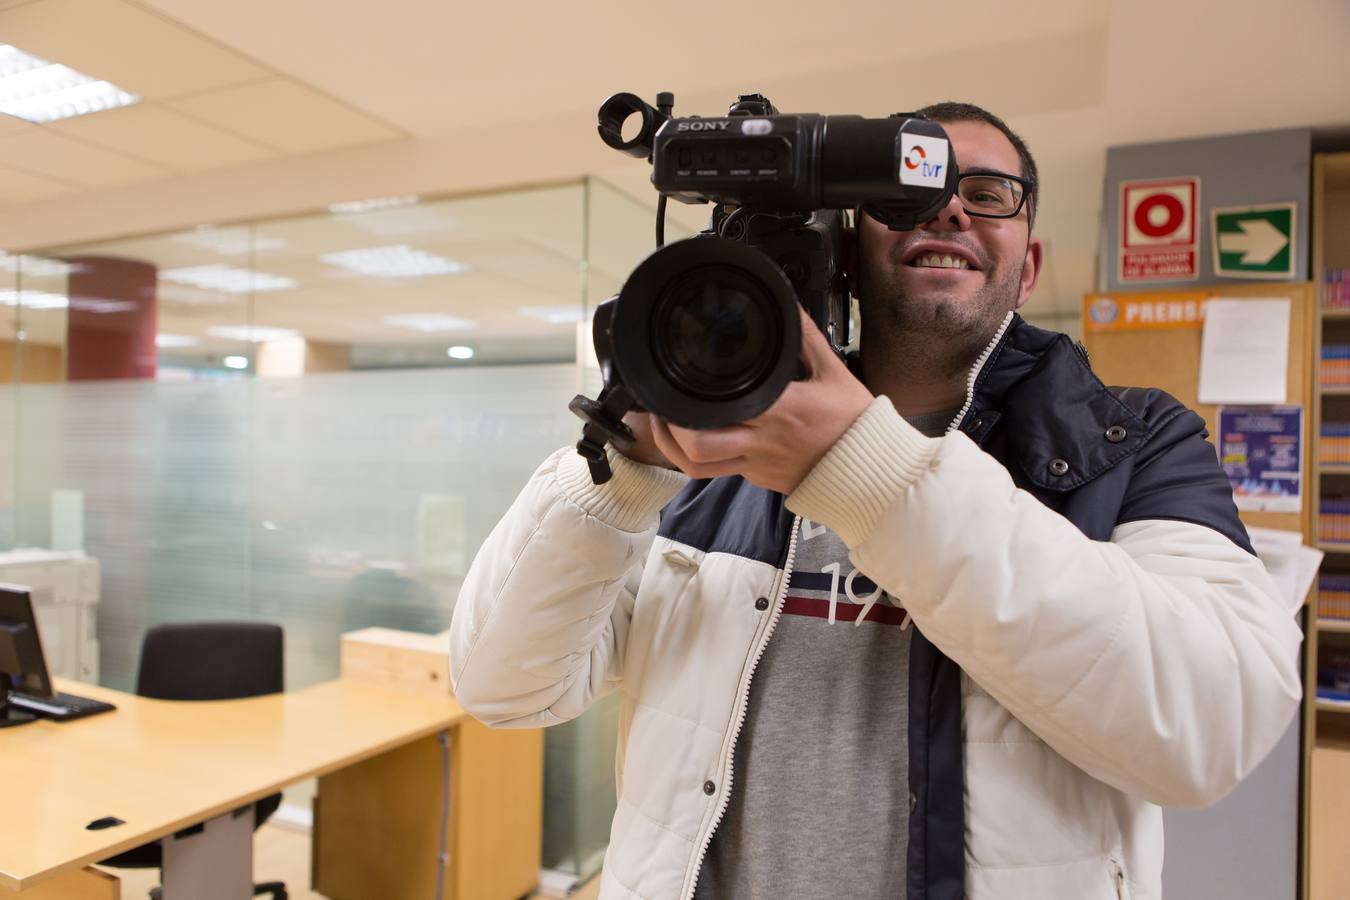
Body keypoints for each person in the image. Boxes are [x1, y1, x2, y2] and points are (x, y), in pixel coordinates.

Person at [449, 102, 1302, 900]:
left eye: (988, 193)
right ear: (851, 248)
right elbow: (506, 688)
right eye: (915, 189)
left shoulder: (1132, 442)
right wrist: (620, 479)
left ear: (1029, 260)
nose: (950, 210)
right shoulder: (715, 448)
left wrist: (861, 464)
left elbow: (1212, 729)